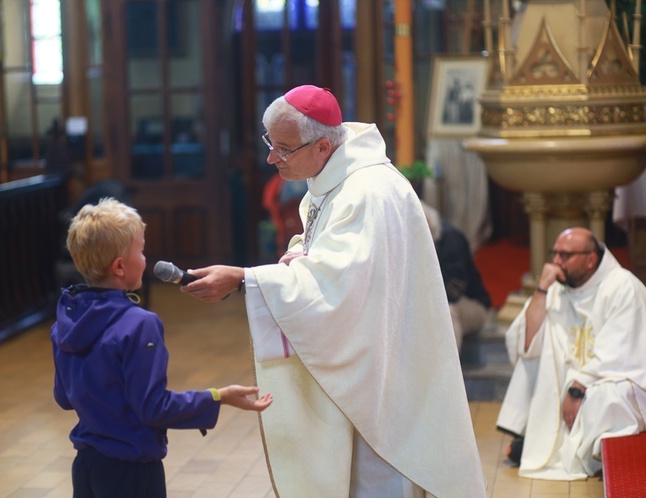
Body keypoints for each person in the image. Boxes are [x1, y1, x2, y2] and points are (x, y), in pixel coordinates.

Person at [180, 85, 486, 497]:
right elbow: (323, 256)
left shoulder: (366, 192)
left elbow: (338, 287)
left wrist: (243, 278)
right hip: (363, 354)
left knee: (377, 478)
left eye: (284, 149)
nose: (272, 158)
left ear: (323, 146)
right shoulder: (332, 180)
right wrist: (296, 259)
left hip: (380, 371)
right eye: (271, 143)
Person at [50, 198, 273, 497]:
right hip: (131, 470)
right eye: (141, 251)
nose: (145, 259)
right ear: (119, 266)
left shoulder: (67, 318)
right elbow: (153, 408)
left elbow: (64, 397)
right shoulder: (139, 324)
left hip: (87, 466)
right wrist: (219, 397)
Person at [496, 227, 646, 480]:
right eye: (554, 253)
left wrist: (579, 387)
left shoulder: (623, 287)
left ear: (590, 259)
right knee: (536, 355)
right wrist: (542, 288)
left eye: (565, 255)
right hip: (575, 379)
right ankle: (542, 443)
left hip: (611, 377)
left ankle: (589, 457)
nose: (555, 261)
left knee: (608, 397)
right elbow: (527, 342)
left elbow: (621, 352)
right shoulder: (557, 288)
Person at [422, 201, 492, 349]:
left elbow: (453, 290)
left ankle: (448, 370)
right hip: (429, 303)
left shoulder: (451, 239)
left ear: (427, 224)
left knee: (446, 312)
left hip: (472, 304)